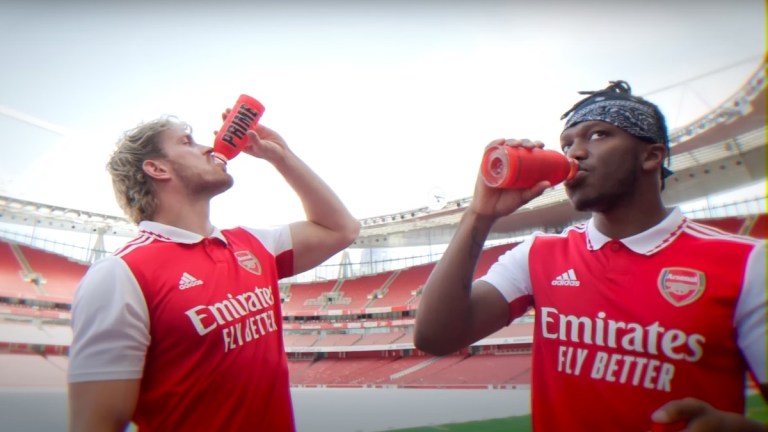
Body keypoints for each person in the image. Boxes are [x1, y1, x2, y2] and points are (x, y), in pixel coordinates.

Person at [414, 81, 766, 431]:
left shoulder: (747, 264)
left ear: (651, 155)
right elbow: (436, 337)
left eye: (597, 135)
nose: (574, 154)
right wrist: (480, 214)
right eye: (567, 143)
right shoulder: (537, 255)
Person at [67, 109, 360, 431]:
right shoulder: (119, 274)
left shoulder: (254, 244)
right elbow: (97, 424)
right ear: (156, 167)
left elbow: (341, 229)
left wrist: (282, 157)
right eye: (187, 142)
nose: (209, 147)